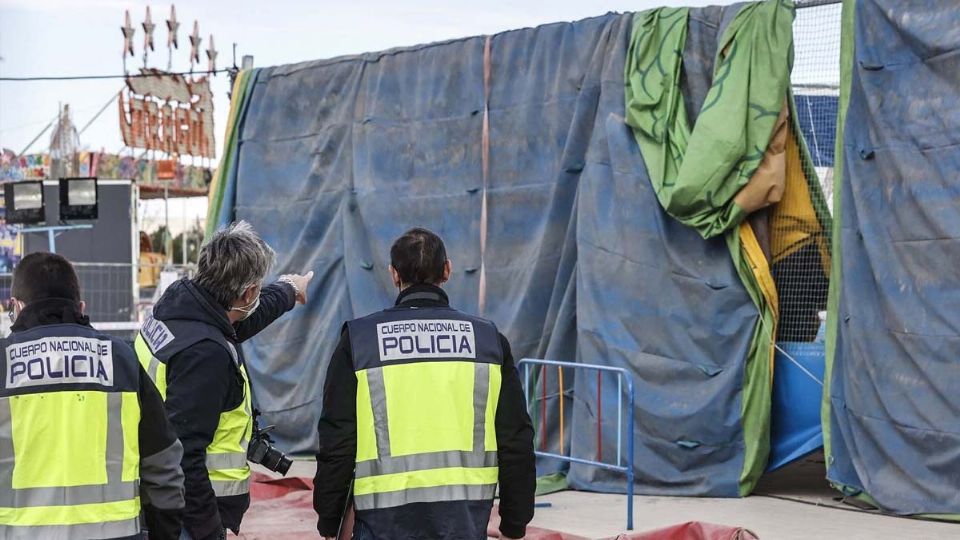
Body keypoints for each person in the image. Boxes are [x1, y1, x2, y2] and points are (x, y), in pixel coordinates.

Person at [314, 227, 536, 540]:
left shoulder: (361, 341)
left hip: (381, 525)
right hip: (464, 523)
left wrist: (330, 517)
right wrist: (515, 522)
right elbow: (515, 440)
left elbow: (338, 439)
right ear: (447, 270)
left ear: (393, 274)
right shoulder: (488, 340)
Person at [134, 221, 313, 540]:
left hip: (156, 496)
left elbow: (236, 324)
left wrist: (288, 289)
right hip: (190, 512)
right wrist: (210, 531)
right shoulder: (205, 354)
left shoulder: (175, 311)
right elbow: (185, 456)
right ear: (248, 293)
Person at [0, 252, 185, 539]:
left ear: (17, 307)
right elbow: (163, 466)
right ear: (81, 306)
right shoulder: (122, 359)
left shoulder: (2, 363)